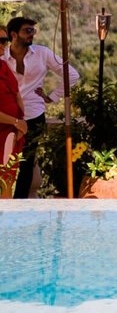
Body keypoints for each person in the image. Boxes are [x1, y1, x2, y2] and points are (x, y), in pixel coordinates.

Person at [3, 17, 80, 199]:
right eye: (27, 31)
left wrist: (51, 96)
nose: (32, 34)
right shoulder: (1, 58)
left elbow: (73, 75)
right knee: (4, 161)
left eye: (33, 31)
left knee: (26, 164)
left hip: (34, 115)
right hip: (7, 117)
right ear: (14, 34)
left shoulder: (42, 53)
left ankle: (18, 206)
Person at [0, 31, 26, 196]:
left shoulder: (3, 66)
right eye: (0, 40)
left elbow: (17, 94)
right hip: (3, 128)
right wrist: (16, 122)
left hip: (11, 130)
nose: (4, 43)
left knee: (9, 176)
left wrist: (20, 123)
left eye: (5, 40)